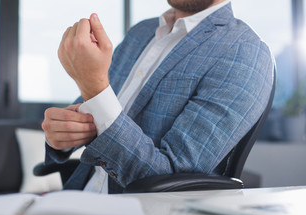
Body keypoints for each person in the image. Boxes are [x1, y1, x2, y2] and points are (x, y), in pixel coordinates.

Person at [42, 0, 274, 194]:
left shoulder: (245, 52)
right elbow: (91, 111)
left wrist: (93, 86)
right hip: (79, 199)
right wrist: (61, 135)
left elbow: (171, 181)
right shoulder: (140, 33)